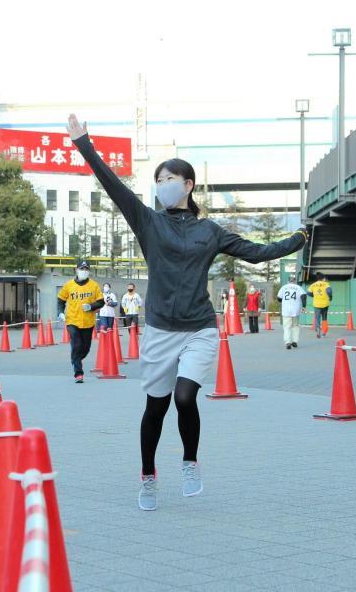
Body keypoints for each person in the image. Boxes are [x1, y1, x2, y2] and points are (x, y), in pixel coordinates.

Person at [67, 114, 308, 511]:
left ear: (188, 184)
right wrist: (84, 144)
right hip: (161, 329)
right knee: (155, 407)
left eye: (170, 179)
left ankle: (190, 462)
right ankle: (147, 475)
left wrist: (298, 239)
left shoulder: (209, 231)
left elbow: (256, 252)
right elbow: (113, 186)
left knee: (184, 396)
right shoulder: (147, 221)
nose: (163, 186)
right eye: (158, 180)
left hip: (199, 328)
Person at [57, 260, 104, 383]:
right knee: (77, 344)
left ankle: (75, 358)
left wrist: (91, 306)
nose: (84, 271)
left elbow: (101, 301)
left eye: (86, 269)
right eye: (82, 269)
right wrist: (60, 312)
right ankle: (78, 373)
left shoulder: (94, 285)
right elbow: (60, 300)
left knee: (85, 348)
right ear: (76, 270)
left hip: (88, 322)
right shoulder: (69, 285)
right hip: (72, 320)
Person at [277, 277, 307, 349]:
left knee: (286, 327)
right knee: (295, 326)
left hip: (286, 310)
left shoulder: (284, 287)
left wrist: (283, 301)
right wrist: (304, 306)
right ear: (295, 281)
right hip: (295, 310)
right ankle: (295, 341)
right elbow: (304, 296)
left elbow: (279, 298)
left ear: (288, 281)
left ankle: (288, 342)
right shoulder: (299, 287)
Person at [308, 272, 332, 338]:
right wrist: (330, 297)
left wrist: (314, 295)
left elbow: (308, 293)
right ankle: (324, 332)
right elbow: (329, 291)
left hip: (316, 304)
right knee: (324, 318)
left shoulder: (313, 285)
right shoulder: (326, 284)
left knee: (317, 318)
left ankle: (318, 330)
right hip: (325, 304)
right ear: (323, 278)